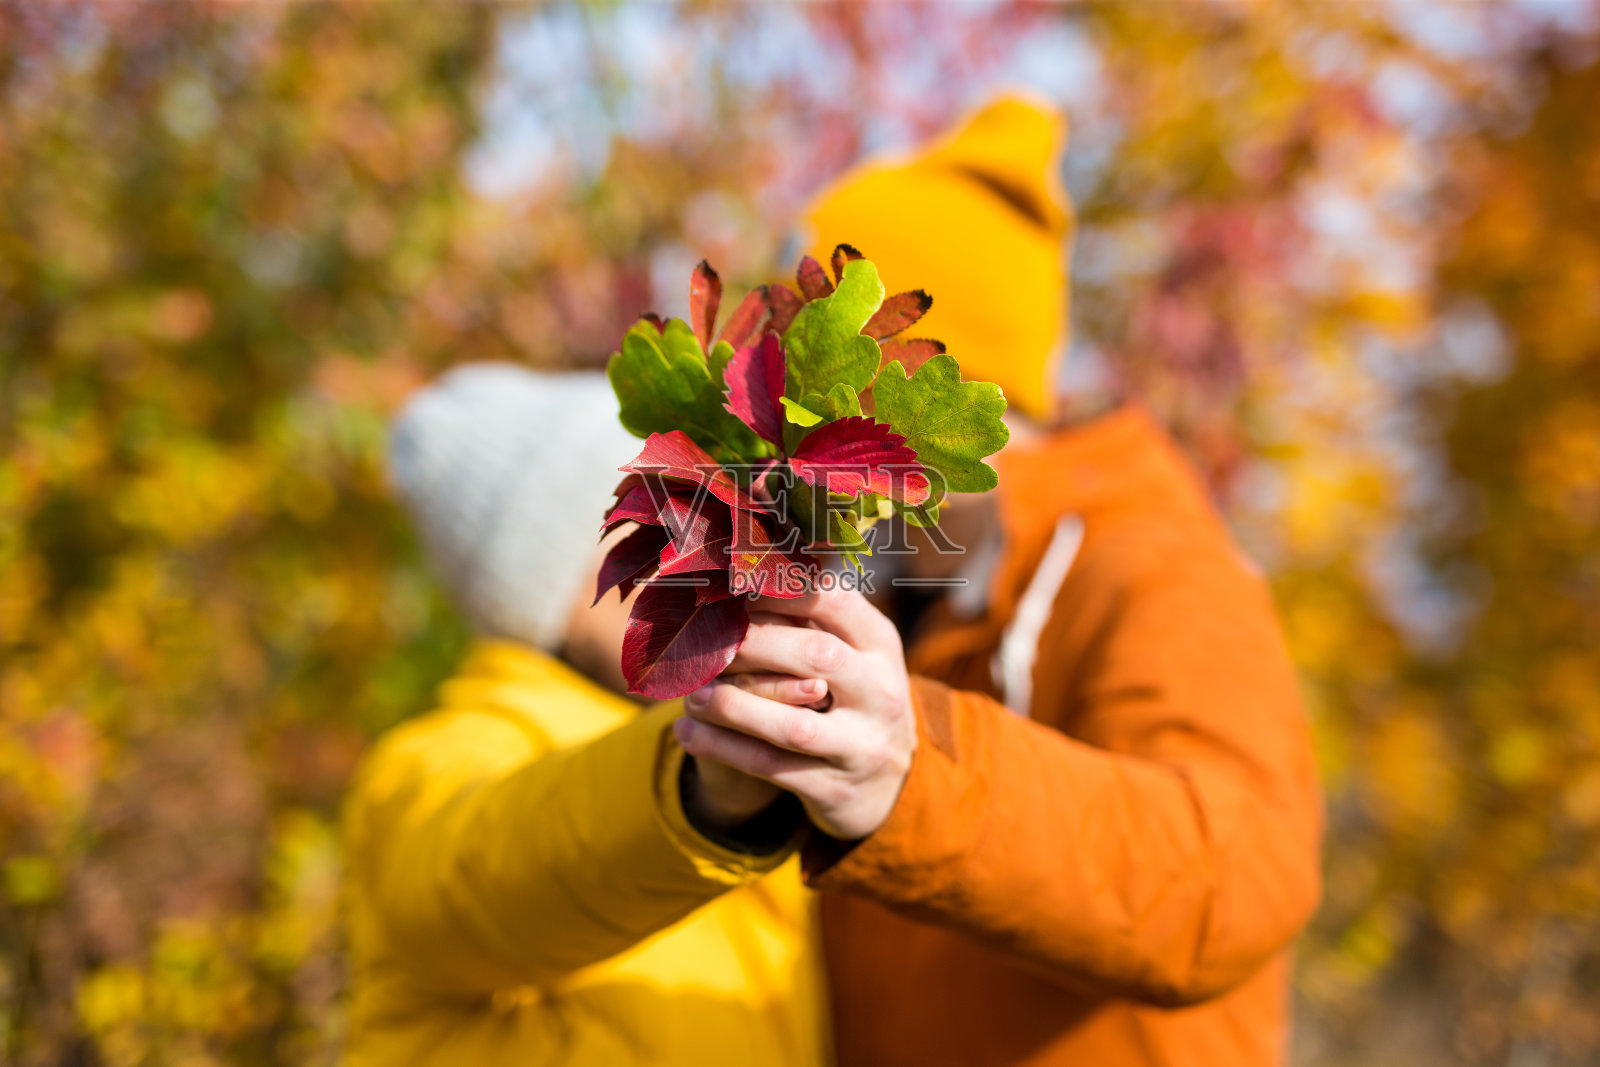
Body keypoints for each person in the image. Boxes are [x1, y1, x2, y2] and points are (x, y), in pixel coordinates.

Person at [676, 96, 1324, 1065]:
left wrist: (912, 782)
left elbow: (1229, 876)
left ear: (940, 402)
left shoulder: (1150, 564)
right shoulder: (911, 591)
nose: (800, 461)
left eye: (825, 418)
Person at [341, 365, 828, 1066]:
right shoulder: (434, 761)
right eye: (651, 525)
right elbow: (484, 870)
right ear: (553, 585)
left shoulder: (751, 750)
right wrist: (702, 790)